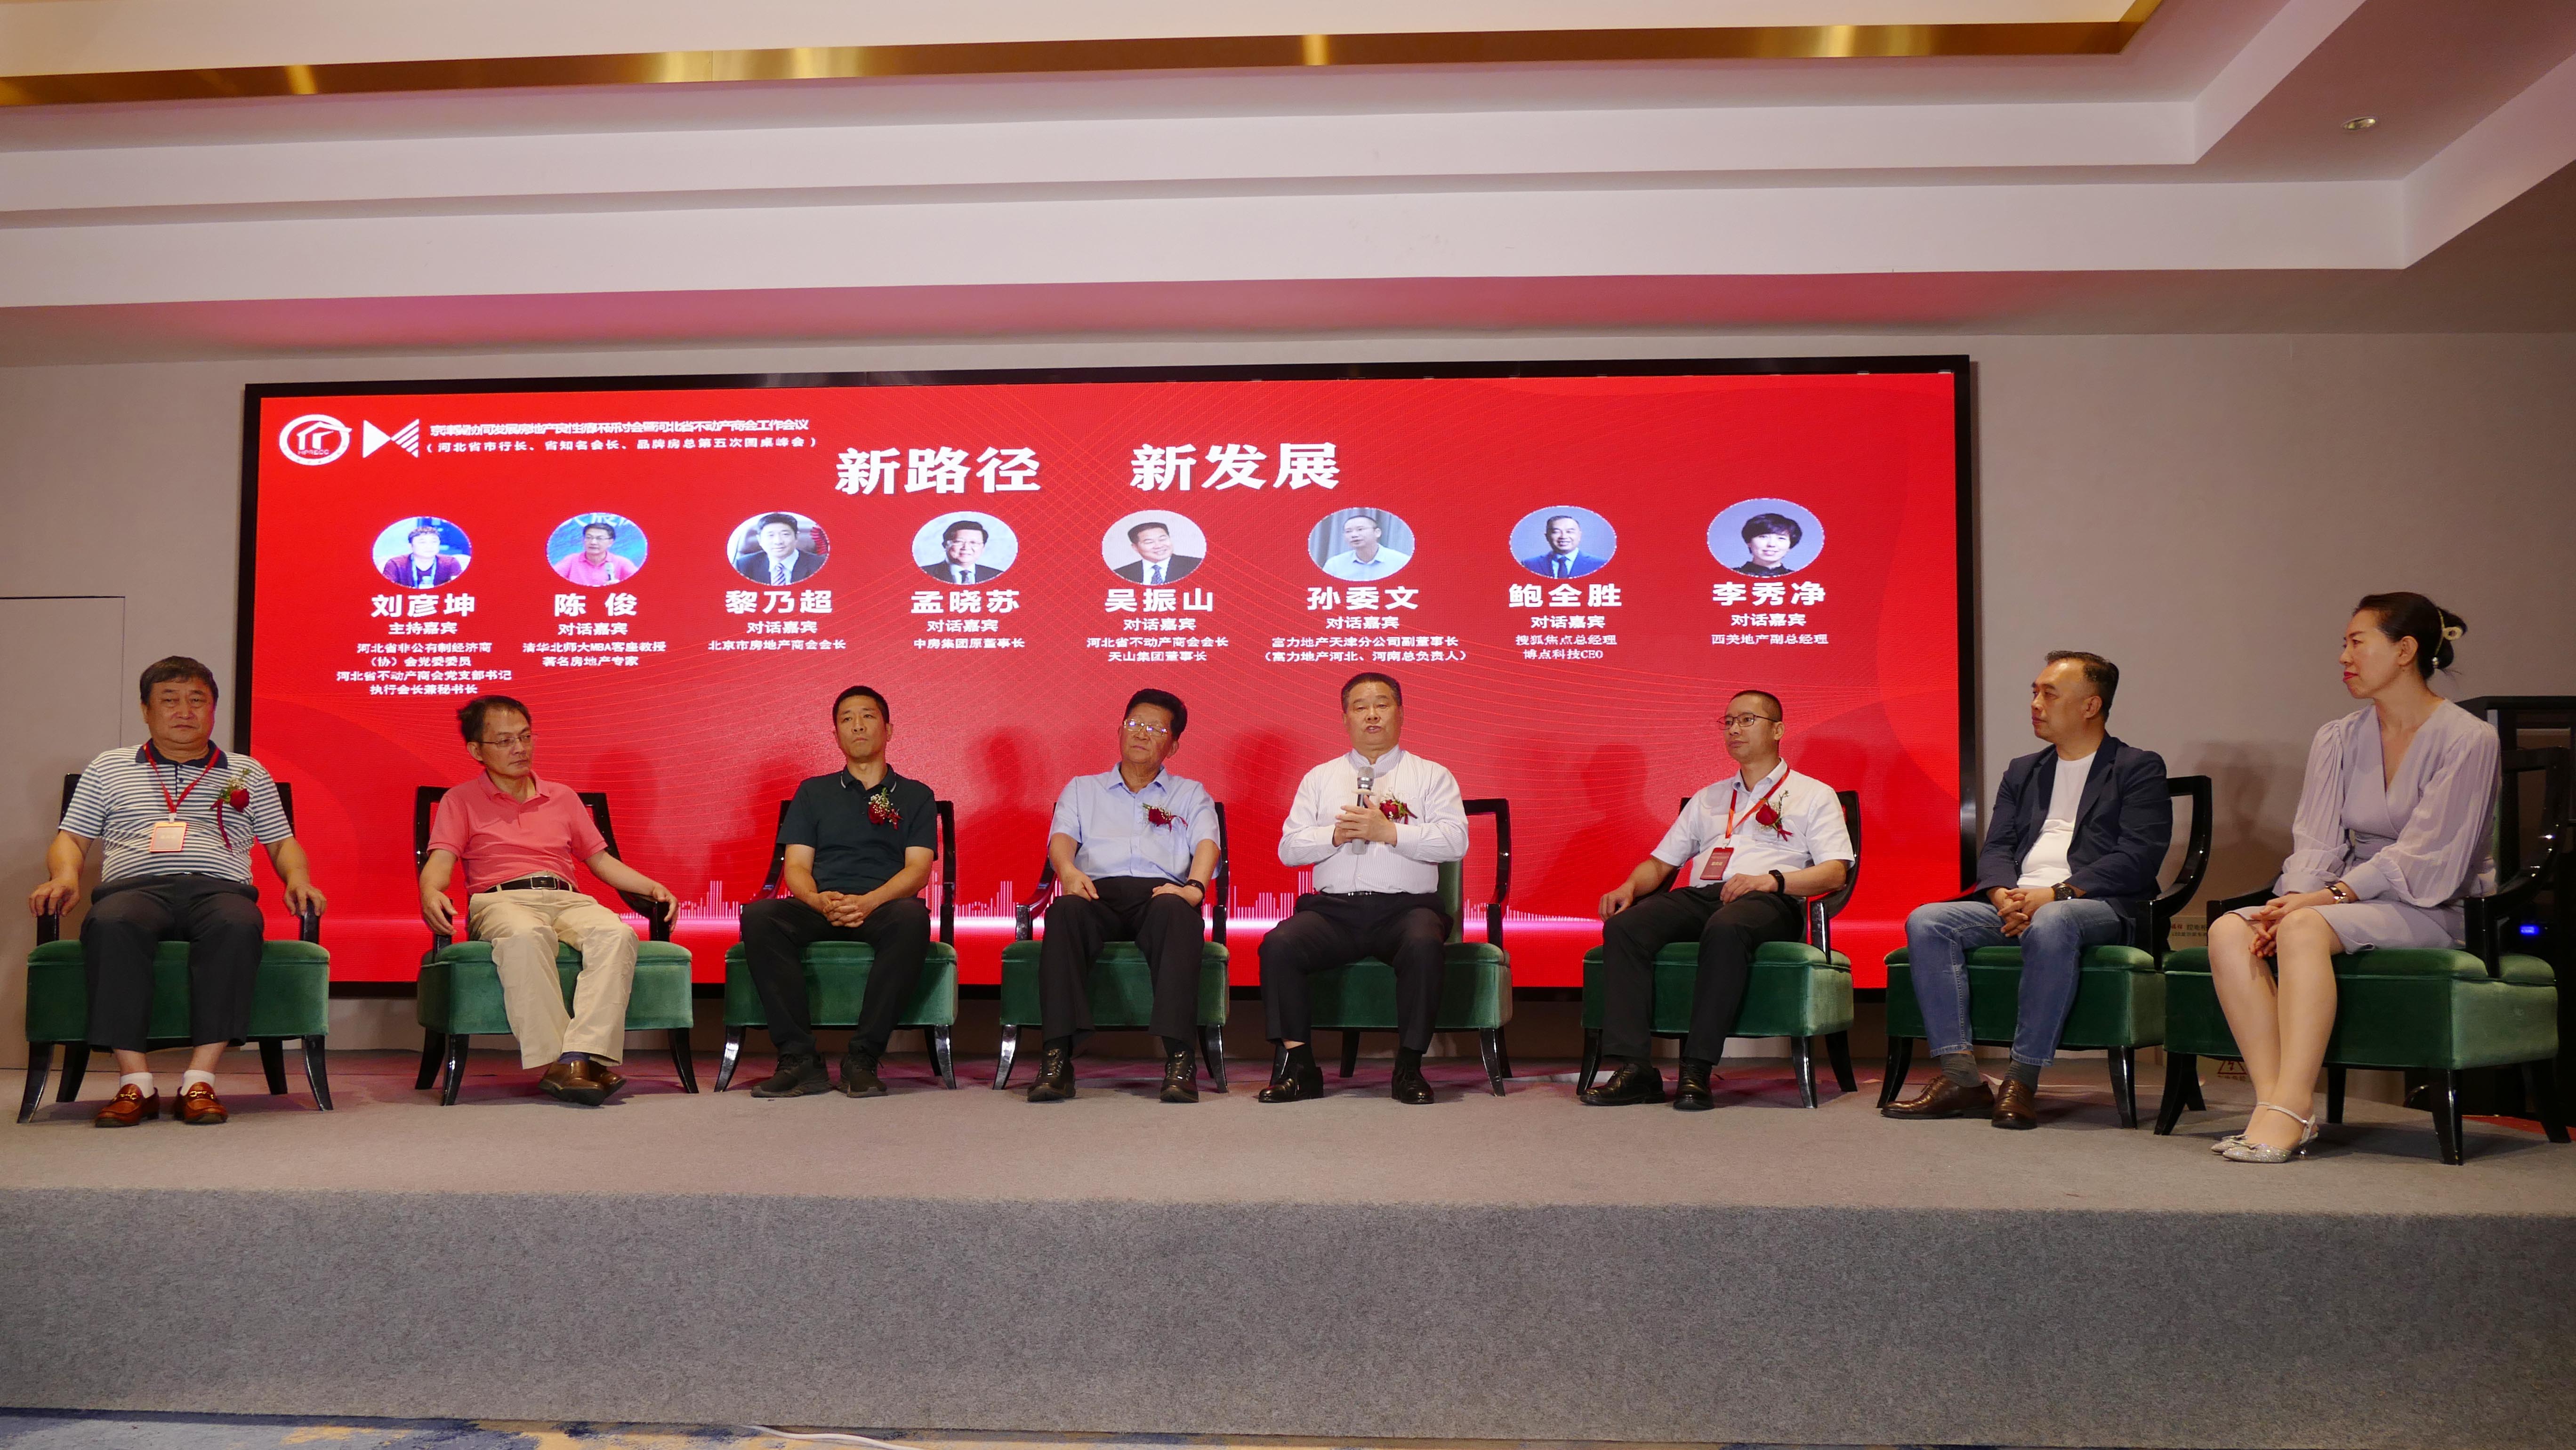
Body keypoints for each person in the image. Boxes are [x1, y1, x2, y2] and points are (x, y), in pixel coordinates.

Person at [2204, 593, 2497, 1164]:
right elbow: (2316, 839)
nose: (2344, 656)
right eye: (2344, 644)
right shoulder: (2338, 736)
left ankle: (2289, 1105)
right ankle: (2279, 1103)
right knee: (2229, 931)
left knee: (2304, 927)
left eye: (2357, 642)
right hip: (2347, 900)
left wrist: (2322, 900)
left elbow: (2428, 857)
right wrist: (2292, 899)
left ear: (2405, 650)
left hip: (2435, 904)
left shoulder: (2468, 738)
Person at [29, 657, 325, 1128]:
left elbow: (281, 842)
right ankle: (135, 1083)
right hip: (134, 889)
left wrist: (298, 878)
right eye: (169, 700)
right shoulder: (109, 767)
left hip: (219, 890)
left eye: (197, 700)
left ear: (213, 710)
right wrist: (65, 876)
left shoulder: (247, 772)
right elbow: (72, 838)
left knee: (238, 924)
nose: (184, 710)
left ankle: (199, 1081)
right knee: (111, 924)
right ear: (146, 710)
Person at [1882, 652, 2170, 1128]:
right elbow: (1997, 847)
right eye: (2034, 693)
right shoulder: (2023, 770)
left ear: (2091, 705)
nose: (2036, 704)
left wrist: (2058, 894)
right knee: (1928, 920)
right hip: (2020, 900)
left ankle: (2022, 1078)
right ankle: (1961, 1077)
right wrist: (2002, 895)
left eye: (2049, 694)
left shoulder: (2136, 767)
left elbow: (2139, 855)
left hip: (2094, 904)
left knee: (2053, 920)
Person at [1582, 689, 1853, 1110]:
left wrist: (1772, 881)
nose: (1734, 730)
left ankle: (1697, 1068)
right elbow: (1660, 863)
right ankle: (1636, 1069)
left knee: (1726, 928)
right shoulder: (1708, 798)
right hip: (1707, 894)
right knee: (1626, 927)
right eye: (1728, 722)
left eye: (1747, 720)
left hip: (1770, 900)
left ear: (1778, 730)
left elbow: (1835, 871)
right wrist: (1629, 887)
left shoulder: (1814, 794)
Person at [419, 695, 678, 1106]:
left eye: (525, 737)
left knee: (616, 934)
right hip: (501, 900)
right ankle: (566, 1063)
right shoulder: (460, 800)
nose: (520, 748)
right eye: (505, 741)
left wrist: (653, 887)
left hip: (567, 898)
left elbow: (600, 861)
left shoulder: (562, 796)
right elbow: (441, 860)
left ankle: (578, 1057)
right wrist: (430, 891)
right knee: (527, 936)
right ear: (476, 750)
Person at [1259, 672, 1466, 1104]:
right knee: (1279, 944)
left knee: (1423, 945)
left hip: (1407, 910)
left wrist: (1390, 832)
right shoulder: (1320, 778)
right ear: (1345, 719)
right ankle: (1300, 1068)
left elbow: (1455, 842)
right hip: (1334, 912)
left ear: (1401, 714)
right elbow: (1289, 849)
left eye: (1382, 704)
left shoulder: (1433, 776)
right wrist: (1335, 836)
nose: (1372, 714)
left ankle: (1409, 1068)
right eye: (1360, 706)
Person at [740, 686, 939, 1099]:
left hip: (883, 906)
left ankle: (863, 1057)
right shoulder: (813, 792)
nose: (858, 726)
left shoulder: (917, 795)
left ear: (888, 730)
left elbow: (918, 870)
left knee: (913, 918)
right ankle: (799, 1059)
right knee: (760, 917)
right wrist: (816, 900)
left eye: (867, 716)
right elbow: (796, 866)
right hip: (822, 904)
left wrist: (869, 902)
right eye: (847, 719)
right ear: (836, 736)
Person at [1025, 689, 1222, 1104]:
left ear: (1174, 745)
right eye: (1135, 724)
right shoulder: (1083, 789)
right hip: (1096, 892)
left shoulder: (1190, 794)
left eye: (1156, 729)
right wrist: (1068, 873)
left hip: (1160, 894)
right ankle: (1057, 1057)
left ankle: (1180, 1059)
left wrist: (1194, 888)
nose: (1142, 734)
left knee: (1176, 913)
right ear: (1119, 731)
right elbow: (1061, 838)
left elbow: (1208, 843)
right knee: (1064, 912)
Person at [733, 513, 827, 585]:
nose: (778, 541)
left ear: (796, 537)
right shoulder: (743, 566)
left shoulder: (819, 565)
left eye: (785, 534)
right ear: (760, 540)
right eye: (771, 535)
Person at [1320, 511, 1412, 581]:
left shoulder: (1401, 562)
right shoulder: (1334, 565)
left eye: (1360, 529)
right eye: (1348, 531)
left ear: (1377, 533)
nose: (1354, 535)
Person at [1519, 514, 1609, 580]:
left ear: (1580, 536)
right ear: (1547, 537)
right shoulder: (1529, 565)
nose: (1564, 537)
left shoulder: (1600, 564)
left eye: (1570, 532)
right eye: (1556, 532)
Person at [1112, 520, 1202, 586]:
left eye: (1163, 539)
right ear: (1135, 548)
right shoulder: (1121, 574)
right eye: (1149, 542)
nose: (1159, 546)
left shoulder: (1197, 566)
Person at [382, 520, 466, 588]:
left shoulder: (450, 563)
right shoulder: (396, 564)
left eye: (434, 542)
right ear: (411, 546)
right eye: (422, 542)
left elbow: (460, 589)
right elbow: (386, 590)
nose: (429, 546)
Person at [553, 520, 638, 586]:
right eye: (589, 538)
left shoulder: (621, 562)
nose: (593, 542)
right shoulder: (572, 560)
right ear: (583, 540)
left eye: (600, 538)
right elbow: (551, 580)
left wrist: (621, 586)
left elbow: (639, 584)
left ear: (611, 542)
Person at [921, 519, 1006, 584]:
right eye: (959, 542)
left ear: (983, 548)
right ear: (945, 545)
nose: (966, 548)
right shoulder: (923, 574)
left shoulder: (998, 576)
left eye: (973, 543)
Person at [1732, 512, 1803, 578]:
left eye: (1781, 538)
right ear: (1749, 542)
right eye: (1763, 537)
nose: (1772, 544)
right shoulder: (1730, 576)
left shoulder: (1799, 579)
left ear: (1790, 546)